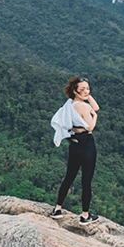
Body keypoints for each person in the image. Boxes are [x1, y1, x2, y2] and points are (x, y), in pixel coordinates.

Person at [49, 77, 100, 225]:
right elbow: (90, 126)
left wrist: (85, 95)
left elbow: (95, 106)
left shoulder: (70, 104)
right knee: (86, 181)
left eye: (88, 88)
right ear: (74, 90)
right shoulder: (83, 107)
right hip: (87, 145)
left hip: (74, 144)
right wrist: (94, 117)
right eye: (82, 89)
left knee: (69, 177)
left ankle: (57, 209)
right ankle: (85, 216)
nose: (86, 91)